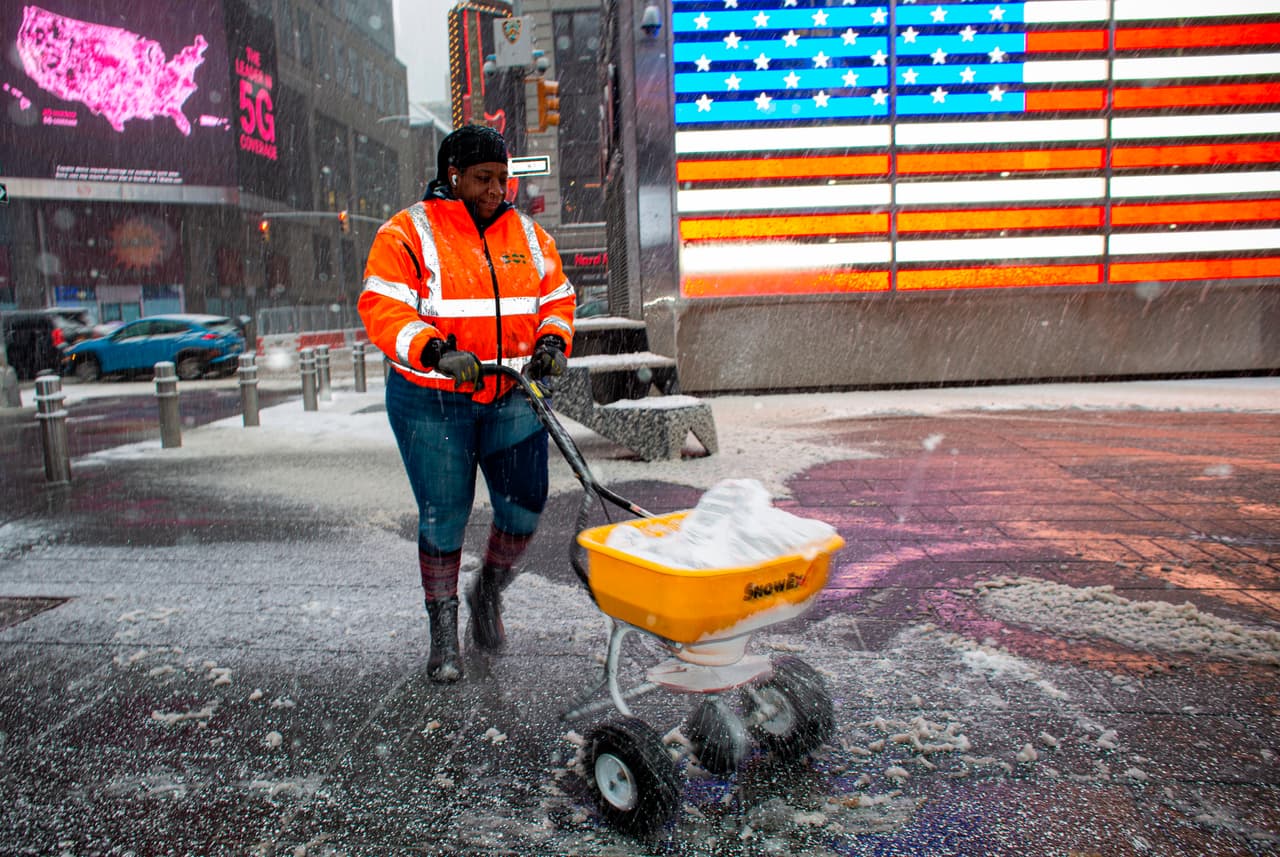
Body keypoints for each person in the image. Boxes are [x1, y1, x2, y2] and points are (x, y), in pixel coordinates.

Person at [359, 125, 575, 683]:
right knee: (445, 514)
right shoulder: (407, 233)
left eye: (503, 179)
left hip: (509, 392)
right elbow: (383, 308)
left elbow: (556, 297)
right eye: (483, 178)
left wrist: (553, 340)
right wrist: (433, 350)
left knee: (525, 504)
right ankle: (443, 628)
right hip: (432, 402)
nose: (496, 189)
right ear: (452, 175)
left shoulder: (527, 235)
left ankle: (488, 592)